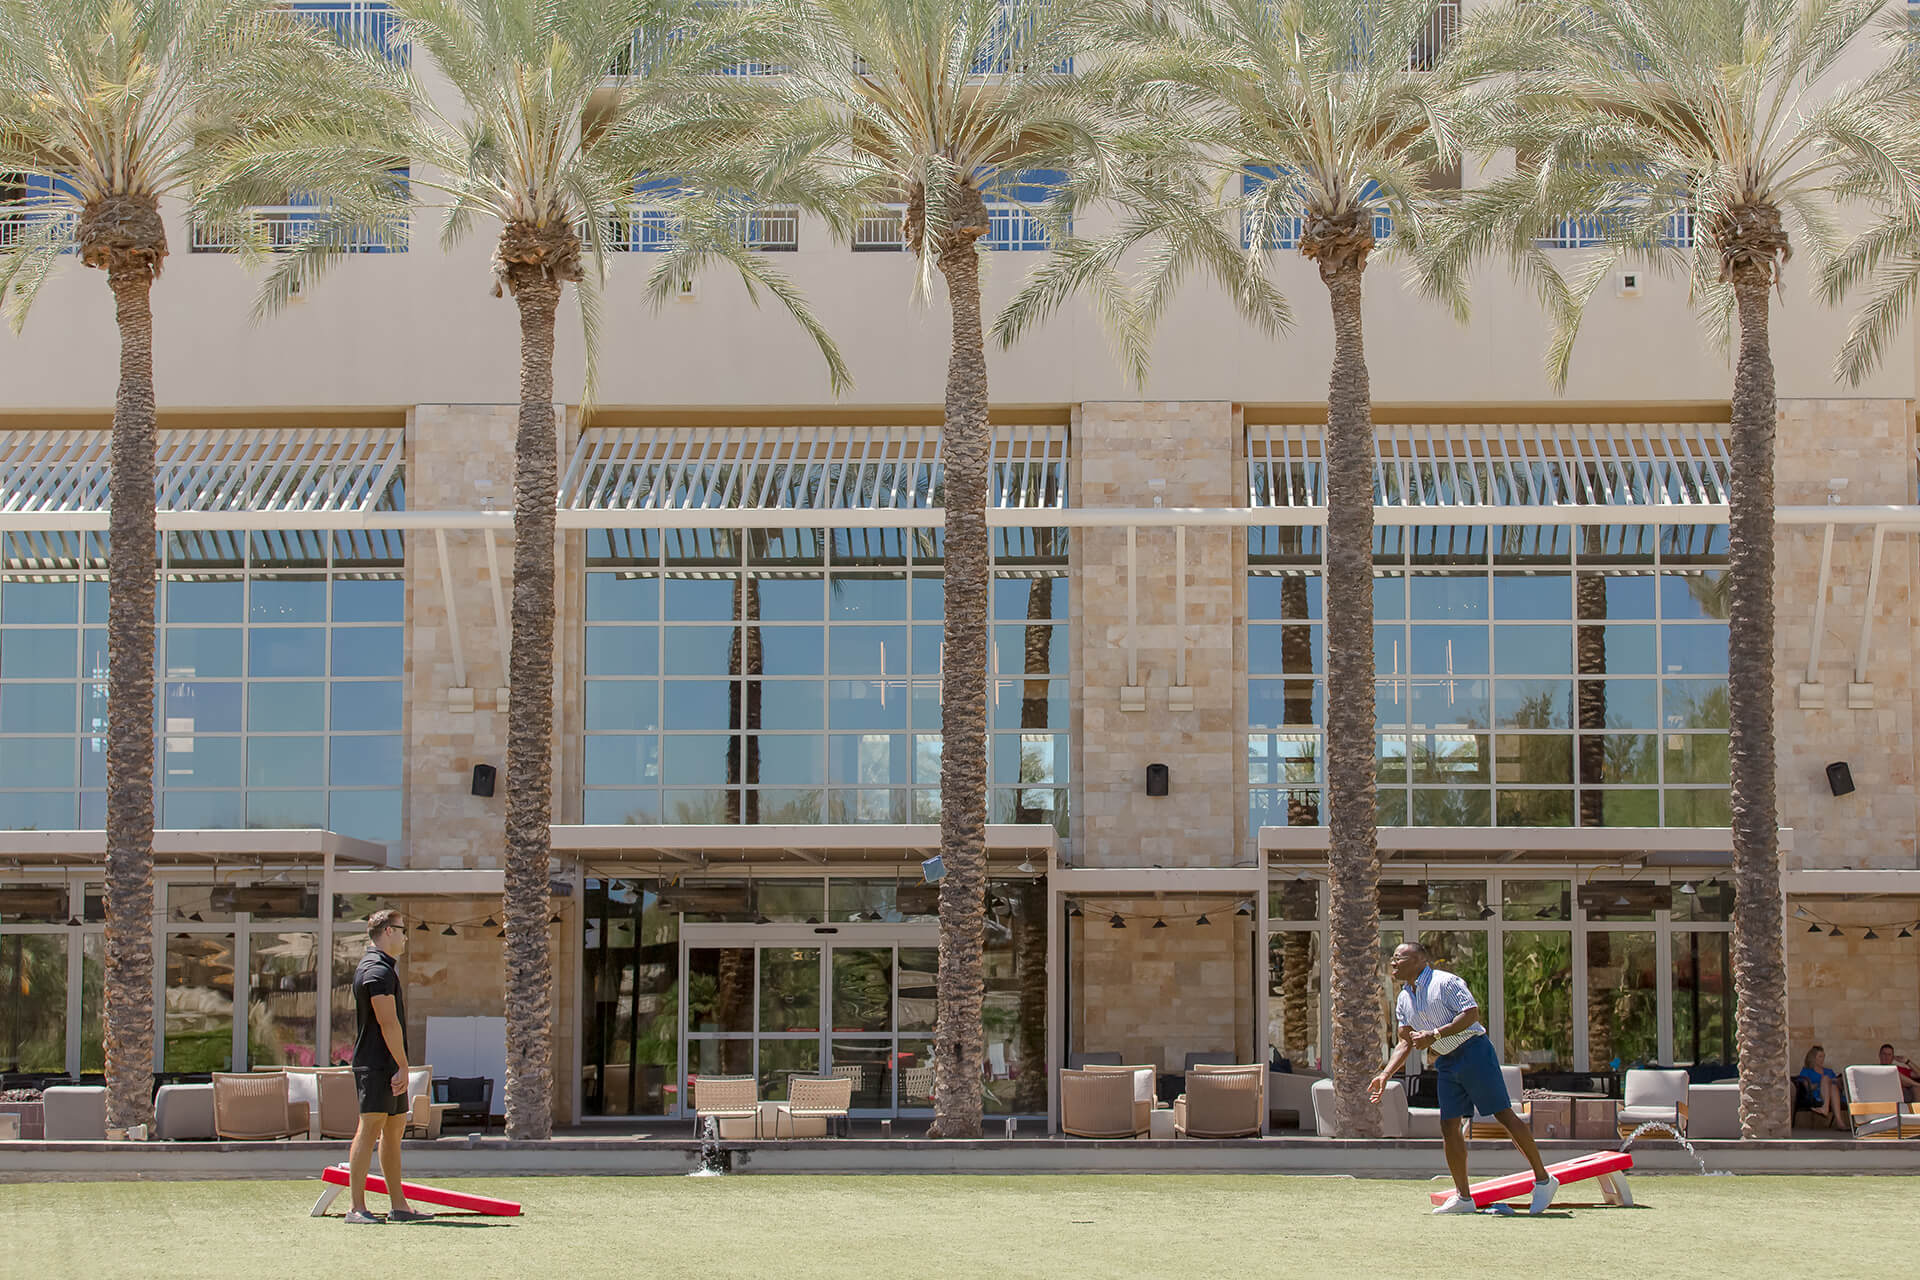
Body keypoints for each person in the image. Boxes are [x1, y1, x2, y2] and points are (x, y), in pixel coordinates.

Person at [1370, 941, 1558, 1216]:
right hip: (1446, 1061)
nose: (1393, 963)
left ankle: (1544, 1180)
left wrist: (1434, 1035)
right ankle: (1463, 1197)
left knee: (1503, 1115)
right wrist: (1385, 1074)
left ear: (1421, 960)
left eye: (1400, 958)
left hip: (1474, 1052)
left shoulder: (1445, 982)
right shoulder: (1403, 998)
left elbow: (1471, 1014)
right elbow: (1405, 1041)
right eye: (1393, 958)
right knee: (1448, 1126)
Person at [345, 910, 432, 1224]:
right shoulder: (375, 971)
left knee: (394, 1132)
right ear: (387, 931)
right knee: (369, 1130)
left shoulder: (385, 969)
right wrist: (403, 1065)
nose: (406, 937)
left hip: (390, 1064)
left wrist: (401, 1065)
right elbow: (387, 1022)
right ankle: (356, 1208)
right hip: (377, 1065)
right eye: (402, 930)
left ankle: (399, 1206)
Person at [1796, 1045, 1847, 1129]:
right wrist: (1823, 1083)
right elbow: (1808, 1087)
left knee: (1833, 1086)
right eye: (1820, 1056)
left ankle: (1834, 1117)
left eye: (1823, 1056)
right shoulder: (1807, 1071)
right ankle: (1836, 1119)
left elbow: (1840, 1087)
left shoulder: (1829, 1071)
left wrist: (1837, 1081)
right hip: (1816, 1095)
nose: (1822, 1059)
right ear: (1813, 1058)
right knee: (1826, 1079)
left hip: (1834, 1095)